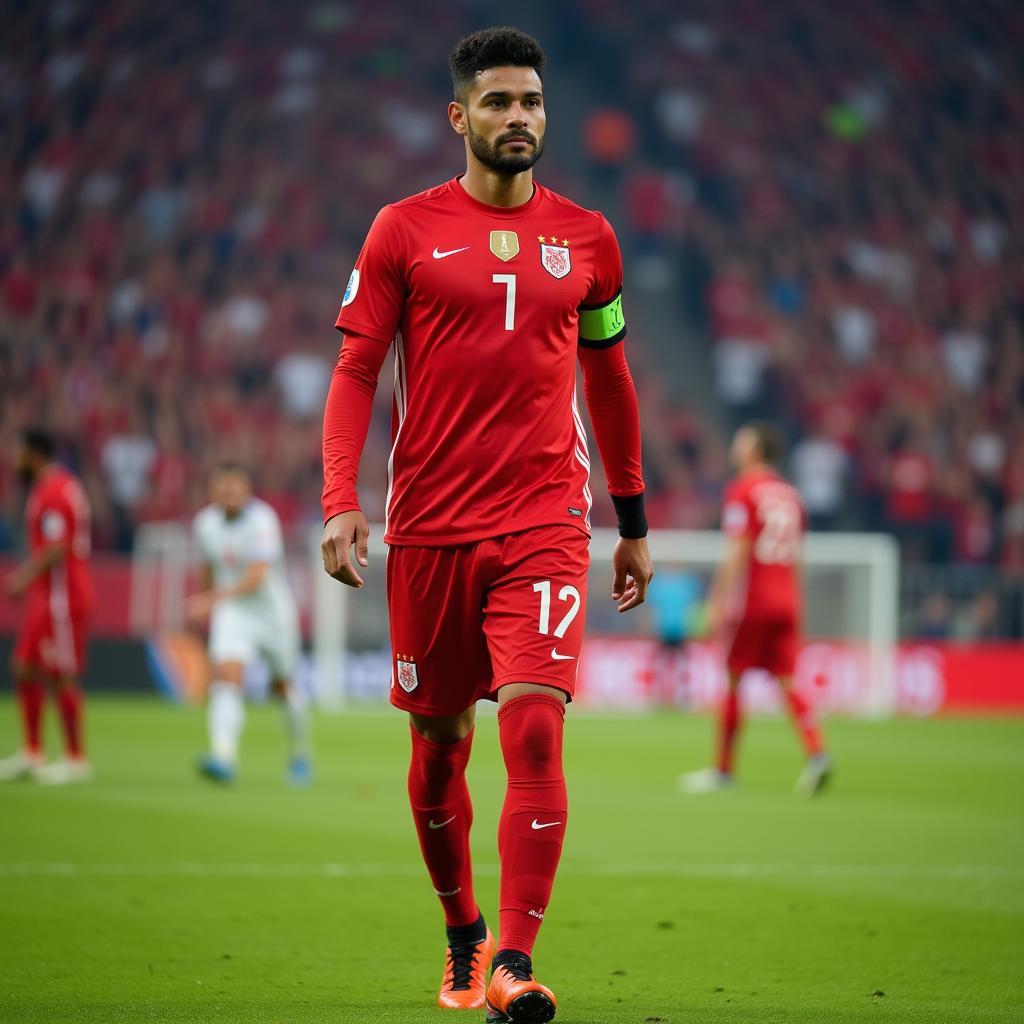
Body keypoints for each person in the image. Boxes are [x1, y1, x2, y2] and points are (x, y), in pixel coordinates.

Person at [320, 27, 653, 1024]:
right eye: (500, 102)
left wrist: (630, 518)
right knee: (436, 745)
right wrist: (341, 499)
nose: (520, 118)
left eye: (532, 102)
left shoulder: (589, 239)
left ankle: (515, 957)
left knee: (536, 726)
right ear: (459, 117)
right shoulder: (402, 231)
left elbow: (611, 379)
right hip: (428, 525)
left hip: (547, 518)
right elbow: (354, 371)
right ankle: (462, 927)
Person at [682, 423, 832, 796]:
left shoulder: (743, 490)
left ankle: (723, 770)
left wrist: (716, 602)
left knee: (733, 675)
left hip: (755, 600)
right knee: (787, 680)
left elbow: (738, 549)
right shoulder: (791, 495)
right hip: (787, 600)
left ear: (755, 450)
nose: (736, 445)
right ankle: (818, 752)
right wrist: (797, 603)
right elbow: (795, 553)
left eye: (742, 440)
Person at [188, 463, 310, 785]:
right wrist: (209, 602)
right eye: (223, 489)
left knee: (282, 686)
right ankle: (223, 756)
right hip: (233, 612)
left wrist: (210, 599)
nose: (229, 496)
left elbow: (257, 576)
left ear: (246, 492)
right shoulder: (204, 524)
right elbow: (207, 569)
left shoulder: (262, 519)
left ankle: (299, 752)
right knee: (227, 676)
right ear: (214, 492)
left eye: (235, 489)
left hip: (272, 612)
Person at [0, 428, 94, 784]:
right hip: (47, 595)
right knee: (24, 666)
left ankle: (75, 758)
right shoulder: (53, 486)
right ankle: (33, 751)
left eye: (18, 452)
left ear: (35, 454)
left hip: (62, 595)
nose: (13, 460)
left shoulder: (54, 491)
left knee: (61, 674)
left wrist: (23, 577)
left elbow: (57, 546)